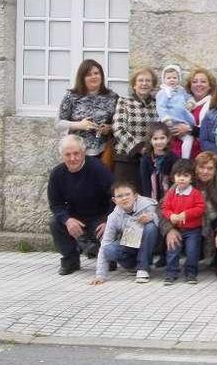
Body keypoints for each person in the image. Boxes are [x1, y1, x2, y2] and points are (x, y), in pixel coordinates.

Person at [48, 135, 114, 275]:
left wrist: (108, 220)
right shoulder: (57, 174)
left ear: (84, 152)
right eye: (68, 155)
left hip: (99, 217)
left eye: (76, 154)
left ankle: (106, 256)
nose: (72, 158)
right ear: (62, 156)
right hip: (75, 217)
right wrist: (67, 220)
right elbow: (55, 204)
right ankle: (70, 260)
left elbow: (115, 197)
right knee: (55, 222)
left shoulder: (98, 169)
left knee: (109, 258)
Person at [162, 151, 217, 278]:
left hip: (214, 221)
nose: (205, 171)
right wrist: (169, 229)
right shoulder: (184, 182)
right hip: (191, 224)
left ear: (216, 170)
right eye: (201, 167)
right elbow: (162, 207)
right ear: (196, 168)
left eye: (210, 168)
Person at [89, 180, 159, 285]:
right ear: (114, 200)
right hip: (130, 244)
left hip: (151, 243)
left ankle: (143, 268)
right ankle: (133, 266)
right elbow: (105, 243)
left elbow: (163, 221)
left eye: (127, 194)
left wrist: (152, 217)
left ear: (135, 196)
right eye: (120, 196)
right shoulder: (113, 217)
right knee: (108, 249)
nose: (124, 198)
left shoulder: (148, 205)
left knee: (150, 227)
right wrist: (100, 275)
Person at [56, 59, 119, 159]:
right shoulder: (71, 96)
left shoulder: (112, 97)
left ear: (101, 76)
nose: (93, 77)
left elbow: (119, 123)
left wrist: (109, 128)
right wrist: (79, 125)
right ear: (82, 78)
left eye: (96, 73)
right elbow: (59, 124)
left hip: (103, 152)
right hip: (76, 153)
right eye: (89, 74)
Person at [113, 67, 158, 192]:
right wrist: (139, 147)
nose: (144, 83)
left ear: (153, 85)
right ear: (134, 85)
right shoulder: (124, 102)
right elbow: (118, 129)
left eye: (148, 81)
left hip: (150, 159)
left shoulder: (157, 104)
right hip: (127, 158)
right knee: (124, 195)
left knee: (146, 196)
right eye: (140, 80)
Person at [161, 159, 206, 285]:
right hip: (176, 229)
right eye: (178, 175)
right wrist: (171, 216)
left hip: (193, 230)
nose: (181, 179)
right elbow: (165, 208)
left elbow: (200, 208)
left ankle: (191, 273)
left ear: (191, 178)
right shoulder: (171, 193)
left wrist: (186, 214)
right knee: (172, 251)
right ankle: (171, 273)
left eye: (185, 176)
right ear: (173, 177)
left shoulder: (195, 193)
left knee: (192, 252)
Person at [168, 67, 216, 160]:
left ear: (210, 85)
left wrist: (189, 129)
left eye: (203, 81)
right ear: (190, 86)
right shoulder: (182, 103)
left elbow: (212, 132)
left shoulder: (214, 105)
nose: (199, 84)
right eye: (194, 82)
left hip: (200, 156)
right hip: (175, 152)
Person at [156, 64, 196, 159]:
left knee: (188, 139)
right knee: (165, 141)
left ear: (179, 79)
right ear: (164, 79)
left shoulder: (181, 90)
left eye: (174, 77)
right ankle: (162, 159)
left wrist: (190, 103)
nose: (172, 80)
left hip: (181, 121)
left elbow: (189, 97)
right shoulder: (163, 93)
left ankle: (184, 159)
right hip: (169, 121)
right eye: (168, 78)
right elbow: (160, 107)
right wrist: (166, 119)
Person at [138, 122, 177, 201]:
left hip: (169, 197)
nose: (159, 142)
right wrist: (147, 200)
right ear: (150, 140)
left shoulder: (172, 157)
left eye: (162, 138)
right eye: (155, 139)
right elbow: (145, 182)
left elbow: (175, 179)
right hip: (152, 198)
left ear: (168, 138)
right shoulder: (146, 159)